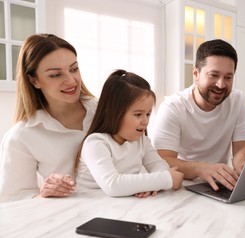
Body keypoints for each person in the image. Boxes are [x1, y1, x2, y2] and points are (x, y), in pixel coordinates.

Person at [0, 34, 97, 202]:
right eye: (55, 75)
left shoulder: (104, 110)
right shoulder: (22, 136)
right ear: (34, 80)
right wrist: (43, 194)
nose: (71, 80)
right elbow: (13, 199)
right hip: (68, 218)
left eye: (74, 69)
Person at [151, 39, 245, 191]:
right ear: (196, 74)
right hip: (184, 186)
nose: (221, 84)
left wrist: (242, 165)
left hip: (221, 183)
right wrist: (201, 169)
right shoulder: (173, 107)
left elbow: (242, 146)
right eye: (213, 75)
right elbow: (162, 160)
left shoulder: (239, 101)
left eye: (228, 77)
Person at [75, 70, 184, 198]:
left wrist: (152, 184)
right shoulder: (96, 144)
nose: (145, 121)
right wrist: (166, 180)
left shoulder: (141, 140)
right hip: (90, 208)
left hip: (122, 207)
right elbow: (113, 185)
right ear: (113, 112)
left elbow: (159, 165)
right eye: (138, 114)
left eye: (148, 114)